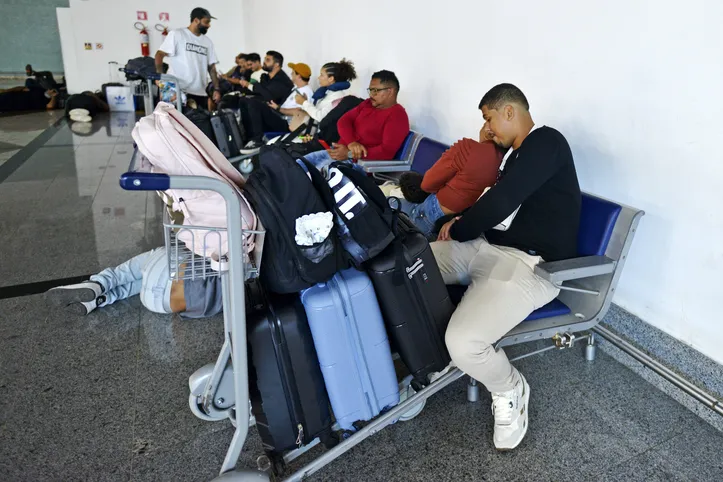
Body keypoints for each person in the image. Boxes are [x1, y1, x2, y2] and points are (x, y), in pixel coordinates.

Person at [432, 83, 581, 451]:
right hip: (486, 249)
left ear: (510, 111)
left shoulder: (547, 142)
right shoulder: (516, 156)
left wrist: (461, 226)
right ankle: (426, 363)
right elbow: (492, 195)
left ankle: (509, 386)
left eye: (489, 118)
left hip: (530, 266)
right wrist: (493, 147)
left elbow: (503, 200)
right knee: (407, 269)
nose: (487, 127)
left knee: (465, 343)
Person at [45, 248, 221, 319]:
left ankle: (99, 284)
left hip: (164, 271)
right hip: (159, 304)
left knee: (159, 253)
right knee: (145, 279)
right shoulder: (241, 290)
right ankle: (101, 299)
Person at [397, 128, 504, 238]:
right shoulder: (507, 164)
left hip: (432, 211)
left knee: (389, 205)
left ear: (489, 130)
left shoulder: (467, 148)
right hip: (458, 221)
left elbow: (427, 184)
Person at [302, 70, 409, 170]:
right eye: (370, 90)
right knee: (297, 166)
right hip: (337, 153)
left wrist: (349, 153)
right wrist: (351, 143)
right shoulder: (367, 104)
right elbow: (344, 121)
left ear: (390, 91)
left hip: (355, 165)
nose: (371, 94)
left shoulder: (397, 116)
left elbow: (386, 152)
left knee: (308, 178)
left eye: (375, 90)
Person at [155, 7, 222, 111]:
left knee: (198, 125)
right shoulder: (177, 34)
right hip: (177, 89)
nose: (209, 25)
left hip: (199, 91)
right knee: (174, 124)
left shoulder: (207, 42)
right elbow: (160, 54)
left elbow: (212, 68)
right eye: (206, 22)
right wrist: (159, 75)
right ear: (196, 20)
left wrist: (217, 89)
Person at [235, 51, 295, 152]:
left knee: (254, 103)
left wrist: (256, 86)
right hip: (269, 111)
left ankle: (257, 140)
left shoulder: (282, 80)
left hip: (280, 117)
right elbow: (261, 92)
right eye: (265, 59)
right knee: (244, 100)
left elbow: (268, 97)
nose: (264, 62)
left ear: (276, 64)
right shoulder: (267, 77)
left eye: (267, 60)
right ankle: (249, 137)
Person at [295, 59, 356, 124]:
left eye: (322, 75)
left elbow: (320, 117)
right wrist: (305, 102)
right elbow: (316, 110)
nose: (319, 78)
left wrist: (304, 102)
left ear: (331, 79)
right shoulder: (327, 92)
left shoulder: (337, 97)